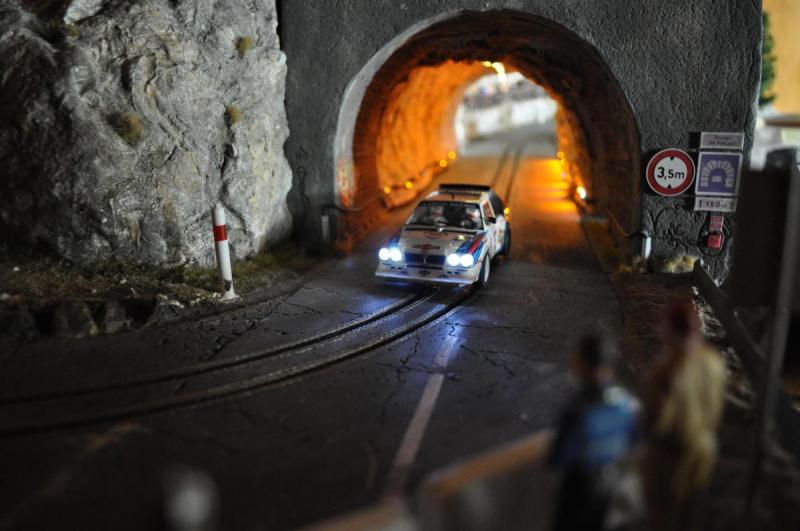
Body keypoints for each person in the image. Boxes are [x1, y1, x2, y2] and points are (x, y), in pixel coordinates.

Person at [640, 300, 727, 531]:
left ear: (669, 331)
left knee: (662, 513)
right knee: (692, 512)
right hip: (703, 448)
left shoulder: (667, 370)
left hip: (672, 454)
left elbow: (659, 418)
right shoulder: (713, 361)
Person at [548, 333, 640, 531]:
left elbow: (558, 457)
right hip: (610, 486)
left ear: (583, 363)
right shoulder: (626, 403)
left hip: (579, 491)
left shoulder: (578, 410)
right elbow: (634, 440)